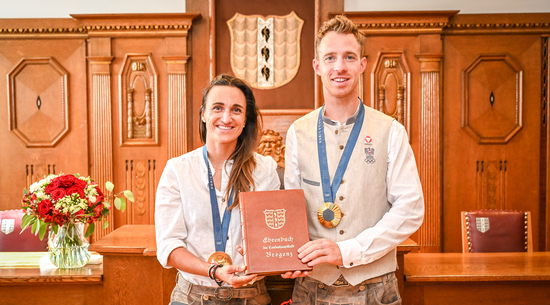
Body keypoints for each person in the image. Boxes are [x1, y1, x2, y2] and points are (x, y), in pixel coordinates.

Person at [283, 15, 424, 305]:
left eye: (349, 57)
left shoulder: (391, 131)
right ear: (317, 66)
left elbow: (410, 209)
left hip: (375, 288)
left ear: (362, 64)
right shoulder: (298, 132)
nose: (340, 67)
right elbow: (291, 207)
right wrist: (285, 252)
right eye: (330, 57)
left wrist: (350, 251)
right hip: (311, 287)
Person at [155, 74, 280, 305]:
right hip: (193, 297)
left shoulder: (265, 170)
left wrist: (266, 264)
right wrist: (213, 271)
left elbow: (274, 239)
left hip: (251, 296)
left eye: (236, 110)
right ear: (204, 114)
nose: (226, 117)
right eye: (218, 107)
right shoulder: (177, 170)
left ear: (245, 119)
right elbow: (169, 247)